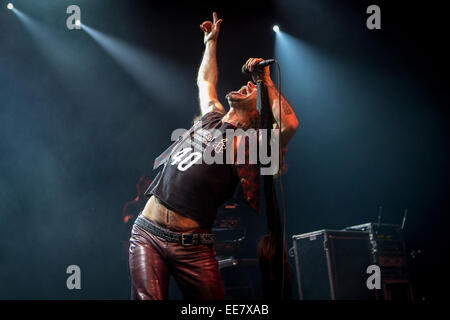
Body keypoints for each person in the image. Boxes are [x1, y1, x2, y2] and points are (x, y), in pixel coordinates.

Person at [128, 12, 299, 300]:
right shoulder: (211, 118)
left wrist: (265, 82)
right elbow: (205, 81)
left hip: (193, 248)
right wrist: (211, 43)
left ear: (256, 117)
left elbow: (290, 124)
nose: (247, 86)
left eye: (252, 91)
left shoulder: (249, 143)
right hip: (147, 232)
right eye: (249, 85)